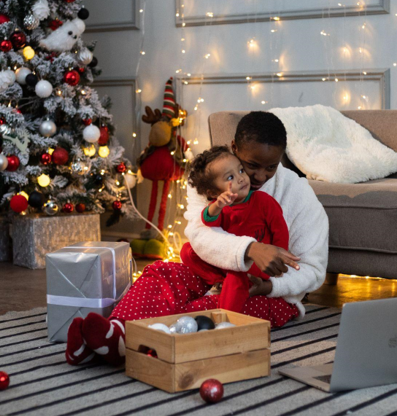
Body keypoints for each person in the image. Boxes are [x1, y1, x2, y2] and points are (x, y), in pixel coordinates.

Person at [64, 111, 329, 366]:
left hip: (270, 295)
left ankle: (135, 346)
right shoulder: (209, 174)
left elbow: (314, 270)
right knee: (161, 273)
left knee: (209, 308)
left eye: (270, 167)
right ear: (234, 148)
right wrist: (250, 249)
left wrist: (269, 287)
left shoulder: (299, 195)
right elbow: (200, 234)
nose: (260, 177)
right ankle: (116, 332)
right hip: (211, 274)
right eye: (251, 166)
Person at [181, 145, 293, 315]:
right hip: (228, 261)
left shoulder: (262, 201)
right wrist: (218, 205)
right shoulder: (221, 207)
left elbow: (280, 228)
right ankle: (220, 281)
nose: (241, 178)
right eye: (231, 177)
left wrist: (278, 256)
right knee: (188, 251)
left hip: (258, 263)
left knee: (236, 277)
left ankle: (227, 320)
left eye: (241, 170)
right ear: (213, 192)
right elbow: (208, 222)